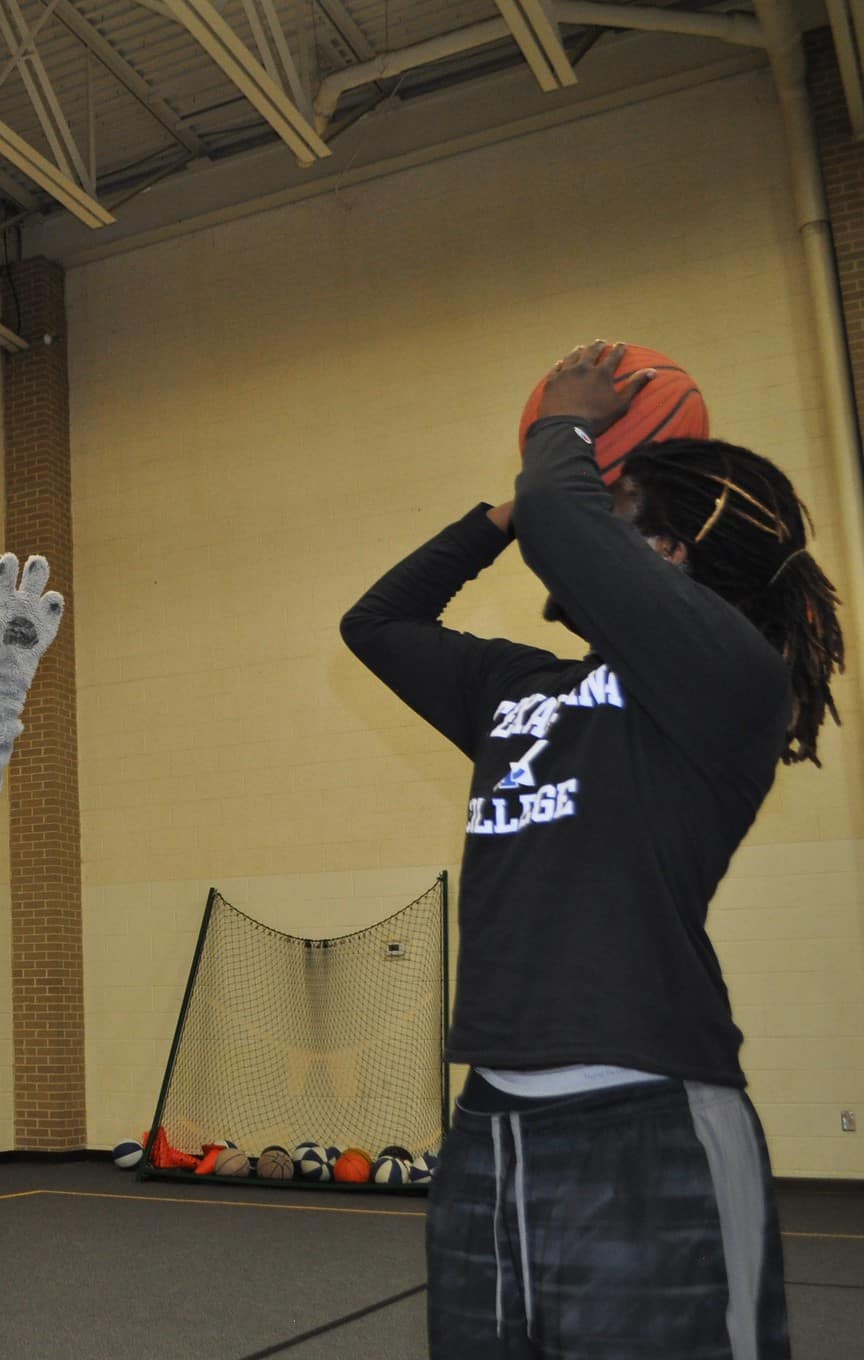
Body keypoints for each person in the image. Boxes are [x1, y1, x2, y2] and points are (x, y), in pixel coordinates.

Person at [341, 341, 845, 1358]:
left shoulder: (729, 684)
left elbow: (568, 526)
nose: (581, 526)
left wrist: (561, 432)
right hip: (489, 1131)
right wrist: (500, 517)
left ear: (663, 560)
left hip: (647, 1128)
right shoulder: (520, 690)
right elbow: (377, 622)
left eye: (618, 520)